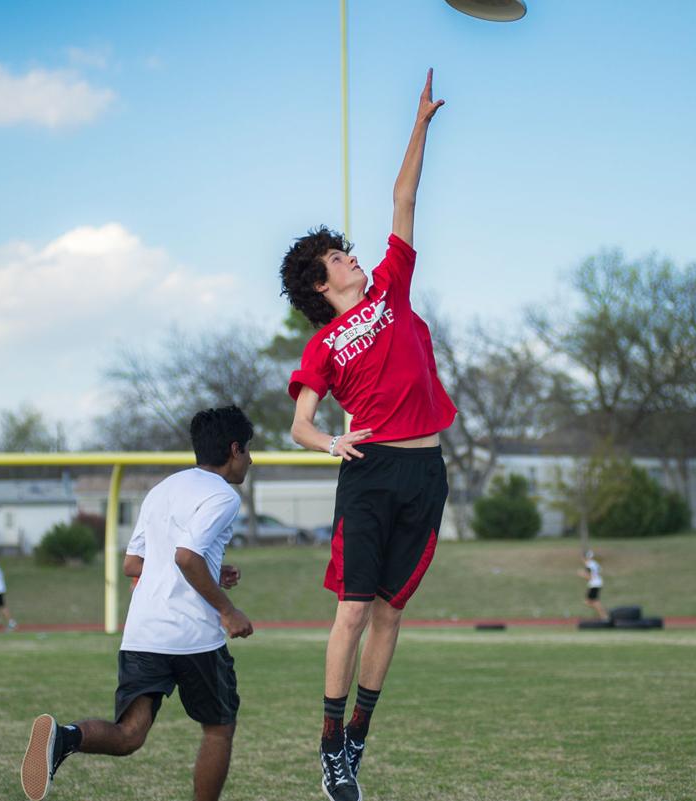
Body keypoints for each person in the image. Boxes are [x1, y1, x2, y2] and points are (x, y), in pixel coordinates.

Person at [280, 69, 455, 801]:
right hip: (370, 471)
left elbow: (403, 198)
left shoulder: (390, 286)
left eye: (347, 252)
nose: (350, 257)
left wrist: (420, 124)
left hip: (426, 472)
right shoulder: (323, 345)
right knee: (353, 610)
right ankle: (329, 748)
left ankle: (357, 737)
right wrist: (330, 444)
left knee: (389, 612)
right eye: (337, 259)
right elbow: (299, 423)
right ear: (322, 285)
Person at [20, 406, 255, 801]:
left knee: (130, 734)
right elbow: (186, 557)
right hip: (193, 637)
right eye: (248, 450)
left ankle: (64, 738)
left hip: (143, 633)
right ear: (234, 450)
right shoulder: (223, 496)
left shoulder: (162, 490)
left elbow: (134, 563)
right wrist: (228, 610)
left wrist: (212, 573)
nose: (250, 460)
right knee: (219, 729)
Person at [578, 551, 607, 619]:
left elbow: (590, 577)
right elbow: (599, 571)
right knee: (591, 601)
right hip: (597, 583)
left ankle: (604, 615)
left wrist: (582, 574)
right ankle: (603, 614)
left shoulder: (588, 565)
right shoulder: (594, 563)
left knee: (590, 601)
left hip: (594, 584)